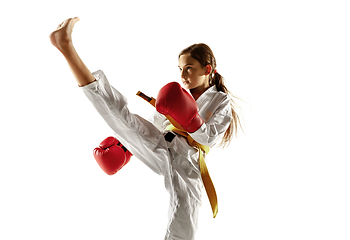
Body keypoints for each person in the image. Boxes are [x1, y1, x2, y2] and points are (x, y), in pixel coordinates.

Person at [50, 17, 241, 240]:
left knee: (184, 224)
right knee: (120, 116)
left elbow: (209, 137)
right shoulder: (178, 94)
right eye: (180, 68)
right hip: (161, 144)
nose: (182, 75)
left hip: (188, 161)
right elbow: (153, 123)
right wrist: (124, 147)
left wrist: (190, 119)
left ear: (207, 69)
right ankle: (66, 47)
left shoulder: (221, 100)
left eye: (189, 68)